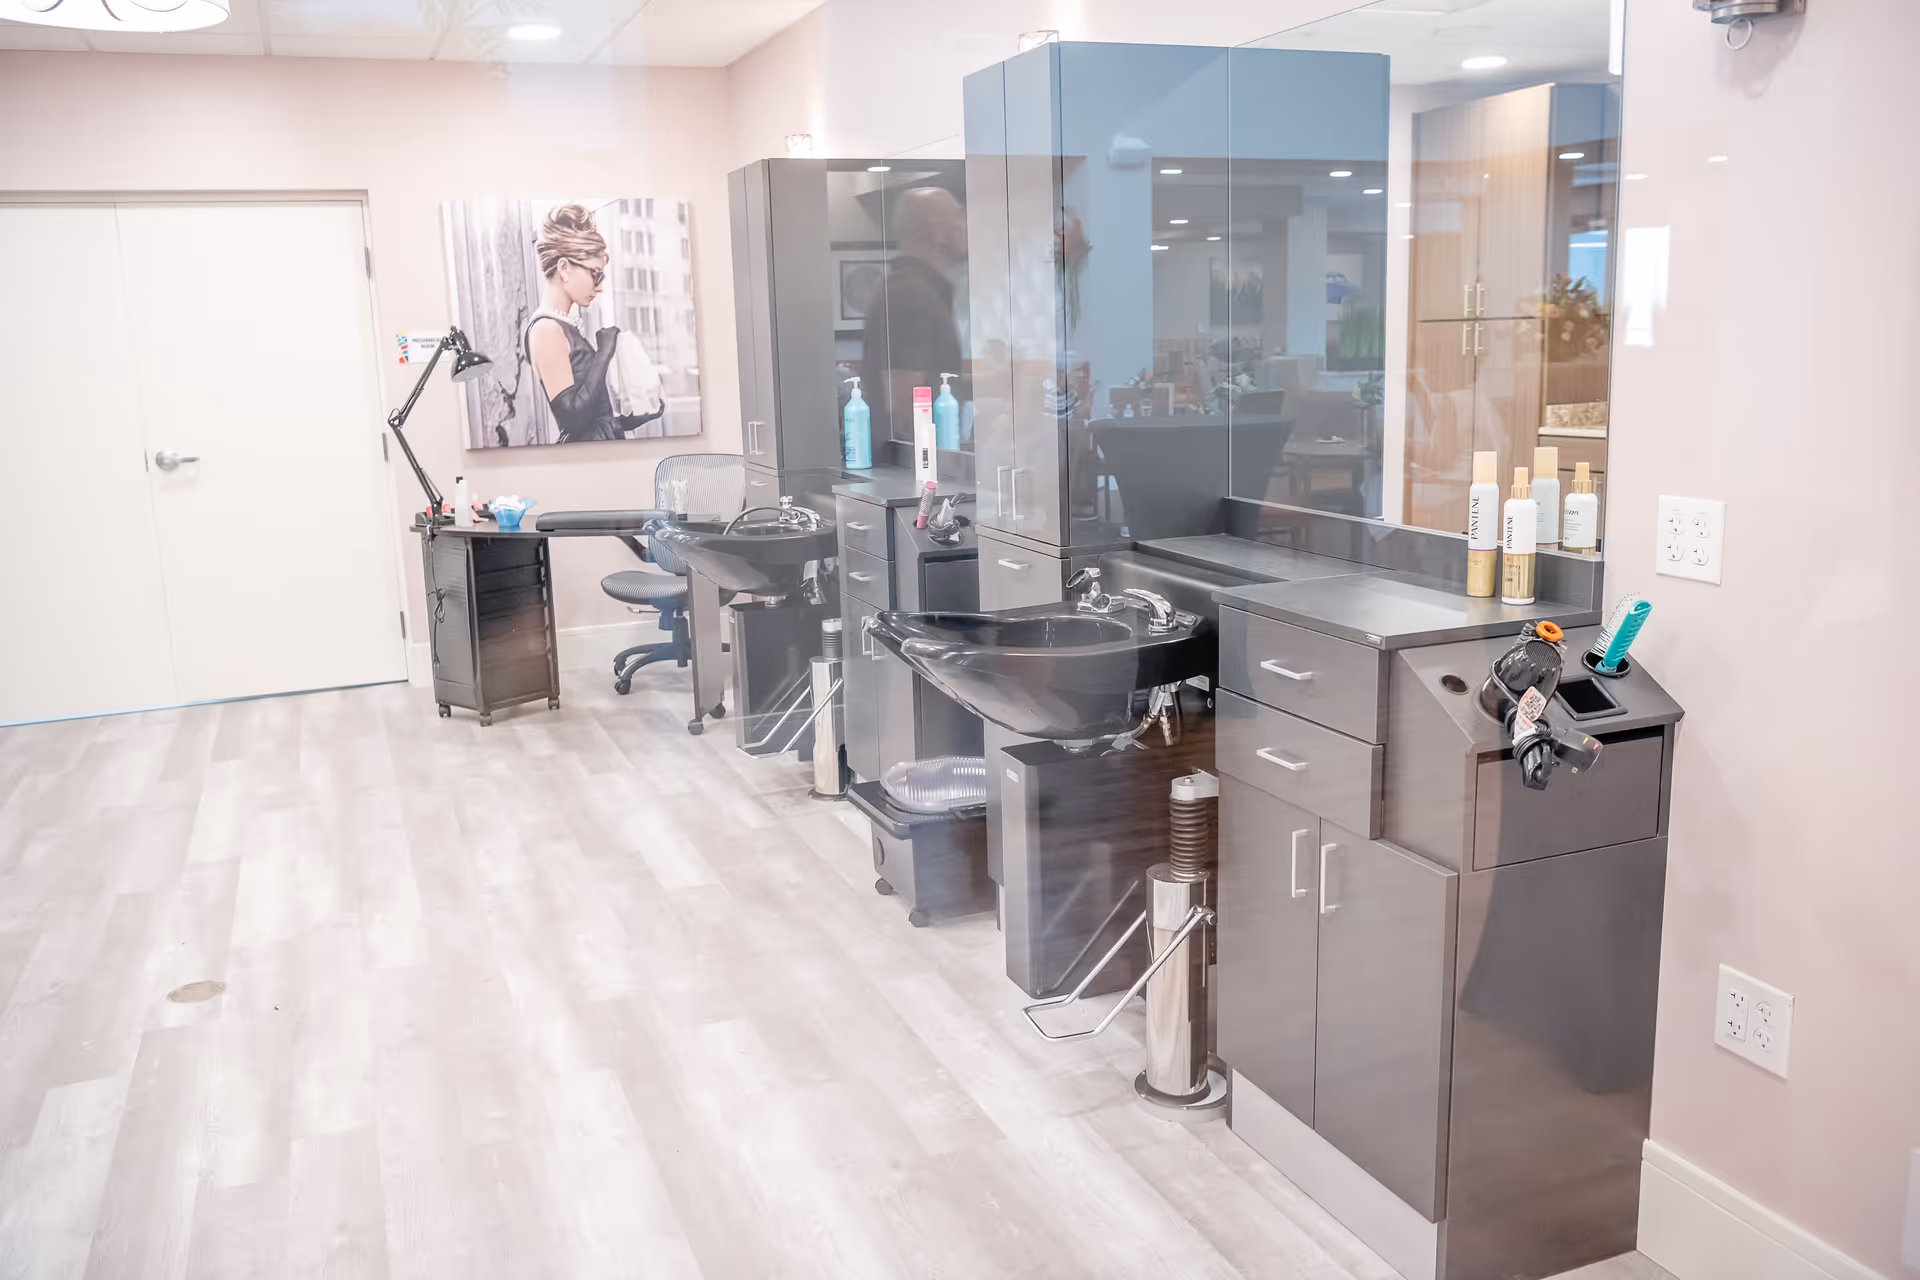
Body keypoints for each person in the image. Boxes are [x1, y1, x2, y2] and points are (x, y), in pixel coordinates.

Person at [525, 204, 655, 444]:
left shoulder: (560, 326)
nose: (600, 286)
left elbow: (590, 416)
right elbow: (573, 418)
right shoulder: (546, 331)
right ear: (564, 268)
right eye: (595, 274)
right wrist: (603, 353)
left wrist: (624, 422)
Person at [862, 186, 968, 445]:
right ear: (935, 232)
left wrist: (998, 382)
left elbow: (929, 378)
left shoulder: (917, 289)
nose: (966, 224)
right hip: (914, 466)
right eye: (959, 215)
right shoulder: (911, 294)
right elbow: (905, 397)